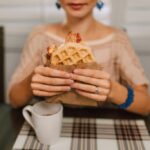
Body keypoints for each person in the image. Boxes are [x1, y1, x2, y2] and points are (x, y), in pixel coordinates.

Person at [8, 0, 150, 115]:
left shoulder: (118, 40)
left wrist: (112, 90)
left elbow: (146, 105)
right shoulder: (40, 36)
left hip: (101, 121)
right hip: (52, 119)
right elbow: (14, 99)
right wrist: (31, 82)